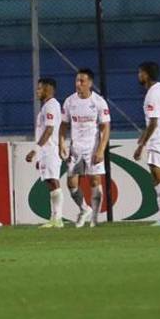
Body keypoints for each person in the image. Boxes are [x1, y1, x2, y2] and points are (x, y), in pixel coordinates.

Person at [58, 68, 111, 228]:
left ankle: (94, 218)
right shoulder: (69, 101)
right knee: (71, 184)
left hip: (92, 148)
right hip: (75, 149)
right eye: (77, 81)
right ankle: (84, 209)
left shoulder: (99, 102)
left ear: (90, 83)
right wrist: (61, 143)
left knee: (95, 181)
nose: (78, 84)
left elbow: (105, 127)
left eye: (82, 81)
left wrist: (101, 149)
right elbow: (64, 125)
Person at [133, 61, 160, 226]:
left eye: (140, 73)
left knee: (158, 177)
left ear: (146, 74)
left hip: (159, 140)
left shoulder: (152, 94)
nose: (139, 76)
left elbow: (153, 122)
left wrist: (141, 144)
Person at [25, 77, 64, 229]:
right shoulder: (47, 106)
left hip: (50, 150)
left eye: (40, 88)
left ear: (48, 89)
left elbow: (49, 130)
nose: (37, 91)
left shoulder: (50, 106)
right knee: (50, 182)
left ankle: (58, 218)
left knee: (53, 181)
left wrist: (35, 150)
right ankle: (55, 218)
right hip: (46, 151)